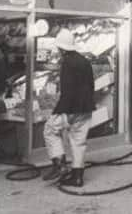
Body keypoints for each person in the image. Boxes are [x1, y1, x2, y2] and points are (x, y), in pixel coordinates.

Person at [42, 29, 95, 187]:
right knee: (79, 141)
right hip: (86, 107)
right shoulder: (85, 61)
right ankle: (77, 177)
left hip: (70, 108)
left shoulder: (66, 63)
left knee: (50, 130)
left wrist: (61, 111)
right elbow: (91, 85)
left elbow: (67, 90)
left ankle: (60, 166)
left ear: (61, 48)